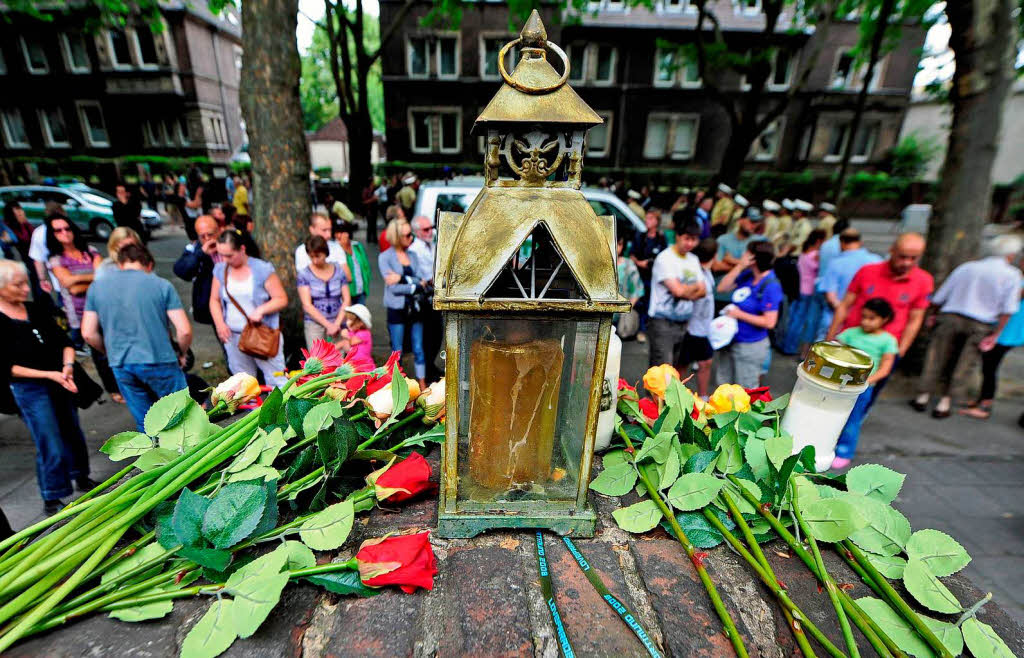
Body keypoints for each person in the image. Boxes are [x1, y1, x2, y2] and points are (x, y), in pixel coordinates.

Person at [0, 260, 95, 513]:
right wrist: (50, 375)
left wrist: (67, 367)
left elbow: (64, 341)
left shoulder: (36, 309)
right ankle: (52, 494)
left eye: (24, 282)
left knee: (73, 432)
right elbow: (8, 368)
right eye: (17, 284)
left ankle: (81, 475)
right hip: (30, 389)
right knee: (49, 440)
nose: (24, 289)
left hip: (61, 380)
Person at [83, 244, 193, 431]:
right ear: (149, 264)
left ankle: (158, 459)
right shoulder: (160, 284)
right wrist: (181, 353)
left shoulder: (97, 287)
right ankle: (192, 458)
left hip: (121, 364)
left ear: (120, 264)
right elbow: (184, 331)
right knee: (182, 420)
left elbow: (88, 333)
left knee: (147, 424)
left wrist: (110, 352)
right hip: (160, 360)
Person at [911, 234, 1022, 418]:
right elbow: (1008, 309)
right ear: (1010, 255)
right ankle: (945, 402)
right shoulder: (1012, 275)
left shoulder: (967, 268)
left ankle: (923, 396)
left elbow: (940, 296)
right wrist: (996, 334)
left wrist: (933, 315)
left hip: (951, 316)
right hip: (981, 323)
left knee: (936, 356)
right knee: (964, 363)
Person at [827, 233, 933, 406]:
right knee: (834, 392)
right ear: (892, 250)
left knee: (864, 397)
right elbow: (845, 305)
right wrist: (831, 337)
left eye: (913, 258)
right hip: (851, 343)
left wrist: (900, 351)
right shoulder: (868, 271)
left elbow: (915, 319)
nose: (907, 262)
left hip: (882, 352)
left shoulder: (923, 280)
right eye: (903, 257)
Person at [209, 230, 288, 386]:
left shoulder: (262, 269)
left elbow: (281, 298)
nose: (225, 259)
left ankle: (280, 409)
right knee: (242, 384)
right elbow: (214, 300)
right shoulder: (220, 269)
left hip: (262, 334)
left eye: (229, 255)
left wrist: (261, 310)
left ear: (242, 249)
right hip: (233, 335)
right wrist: (220, 324)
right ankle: (251, 409)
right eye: (221, 254)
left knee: (276, 379)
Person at [832, 297, 899, 469]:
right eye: (864, 317)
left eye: (871, 318)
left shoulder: (888, 341)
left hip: (863, 388)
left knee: (852, 420)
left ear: (884, 319)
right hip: (840, 384)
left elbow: (885, 368)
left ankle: (844, 451)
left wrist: (866, 381)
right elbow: (835, 350)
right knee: (832, 414)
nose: (865, 322)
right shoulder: (851, 333)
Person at [716, 241, 784, 388]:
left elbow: (769, 322)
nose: (742, 256)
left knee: (745, 389)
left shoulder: (771, 286)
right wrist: (740, 266)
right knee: (723, 387)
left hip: (750, 346)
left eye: (746, 253)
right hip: (730, 340)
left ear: (753, 258)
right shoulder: (748, 275)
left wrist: (738, 314)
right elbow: (722, 287)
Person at [647, 220, 706, 369]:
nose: (690, 244)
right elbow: (677, 291)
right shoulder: (665, 258)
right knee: (662, 370)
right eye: (687, 238)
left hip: (684, 322)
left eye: (694, 240)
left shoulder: (694, 259)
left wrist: (685, 289)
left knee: (675, 369)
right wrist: (693, 288)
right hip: (662, 321)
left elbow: (703, 291)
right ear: (678, 236)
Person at [378, 218, 428, 389]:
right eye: (407, 235)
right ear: (397, 236)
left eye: (411, 234)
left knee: (419, 348)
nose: (411, 238)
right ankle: (397, 385)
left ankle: (422, 383)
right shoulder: (385, 257)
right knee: (397, 350)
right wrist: (414, 285)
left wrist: (401, 278)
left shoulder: (413, 256)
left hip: (415, 308)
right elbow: (393, 289)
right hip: (397, 308)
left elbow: (422, 281)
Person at [962, 282, 1024, 420]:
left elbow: (1011, 301)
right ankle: (981, 400)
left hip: (1007, 334)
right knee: (987, 367)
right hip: (1009, 333)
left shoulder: (1018, 282)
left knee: (990, 368)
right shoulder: (1017, 280)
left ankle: (985, 406)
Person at [817, 228, 882, 343]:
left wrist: (843, 312)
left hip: (835, 321)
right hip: (866, 323)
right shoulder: (876, 260)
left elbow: (831, 296)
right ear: (859, 242)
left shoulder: (836, 263)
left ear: (841, 243)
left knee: (823, 356)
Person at [46, 215, 102, 346]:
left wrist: (76, 278)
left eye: (67, 228)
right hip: (81, 312)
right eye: (58, 230)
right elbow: (73, 289)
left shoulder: (90, 251)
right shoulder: (56, 260)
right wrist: (96, 278)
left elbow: (103, 276)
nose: (64, 233)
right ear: (52, 235)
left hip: (103, 306)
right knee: (97, 350)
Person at [297, 235, 351, 347]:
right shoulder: (304, 274)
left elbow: (346, 299)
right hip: (314, 324)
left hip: (338, 319)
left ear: (325, 253)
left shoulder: (338, 270)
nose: (315, 261)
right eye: (311, 257)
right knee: (317, 361)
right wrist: (328, 325)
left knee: (338, 361)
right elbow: (307, 305)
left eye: (318, 256)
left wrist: (336, 324)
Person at [780, 229, 826, 355]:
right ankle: (790, 347)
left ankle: (784, 343)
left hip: (798, 288)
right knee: (799, 322)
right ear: (819, 241)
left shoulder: (804, 252)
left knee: (792, 319)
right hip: (808, 290)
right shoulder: (816, 255)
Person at [408, 215, 442, 381]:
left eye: (431, 228)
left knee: (437, 335)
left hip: (435, 294)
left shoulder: (432, 245)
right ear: (417, 232)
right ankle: (427, 371)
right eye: (426, 229)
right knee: (428, 336)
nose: (431, 231)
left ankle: (431, 366)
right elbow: (414, 274)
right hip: (423, 297)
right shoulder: (414, 249)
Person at [712, 206, 767, 308]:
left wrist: (730, 260)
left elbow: (757, 268)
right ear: (741, 220)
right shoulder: (723, 239)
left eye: (757, 222)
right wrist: (743, 265)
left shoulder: (760, 242)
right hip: (720, 294)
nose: (754, 225)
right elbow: (716, 266)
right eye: (751, 221)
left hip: (743, 297)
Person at [682, 237, 718, 398]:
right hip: (693, 328)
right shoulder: (698, 275)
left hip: (701, 328)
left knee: (701, 363)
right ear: (714, 255)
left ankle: (700, 396)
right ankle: (681, 397)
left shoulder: (704, 271)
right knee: (690, 364)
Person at [174, 215, 222, 326]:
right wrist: (201, 254)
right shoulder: (194, 249)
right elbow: (182, 271)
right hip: (210, 305)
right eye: (202, 236)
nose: (207, 239)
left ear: (218, 231)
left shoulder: (230, 243)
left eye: (210, 234)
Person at [631, 209, 667, 343]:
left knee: (650, 303)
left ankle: (646, 329)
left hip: (654, 277)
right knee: (639, 302)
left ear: (657, 221)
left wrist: (651, 263)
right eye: (647, 218)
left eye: (651, 218)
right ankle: (638, 328)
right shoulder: (640, 236)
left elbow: (663, 257)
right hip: (640, 276)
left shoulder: (661, 238)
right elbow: (633, 254)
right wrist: (640, 263)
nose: (647, 221)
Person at [333, 220, 371, 306]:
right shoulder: (334, 250)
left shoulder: (357, 246)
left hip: (361, 290)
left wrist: (366, 284)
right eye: (337, 232)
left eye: (342, 232)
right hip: (345, 293)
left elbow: (365, 267)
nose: (339, 235)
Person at [615, 232, 644, 334]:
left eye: (619, 244)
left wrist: (626, 310)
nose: (616, 247)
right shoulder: (598, 263)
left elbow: (637, 290)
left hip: (620, 318)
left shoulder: (628, 265)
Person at [339, 303, 375, 371]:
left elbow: (352, 342)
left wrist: (345, 336)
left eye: (350, 320)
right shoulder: (352, 333)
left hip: (364, 366)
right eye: (347, 319)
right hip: (354, 366)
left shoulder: (365, 333)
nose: (347, 322)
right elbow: (345, 346)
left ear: (360, 322)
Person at [362, 177, 381, 245]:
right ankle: (369, 239)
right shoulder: (366, 190)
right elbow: (364, 202)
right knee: (370, 225)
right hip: (369, 210)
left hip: (374, 210)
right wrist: (373, 199)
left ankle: (374, 239)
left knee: (374, 224)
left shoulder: (374, 189)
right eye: (373, 182)